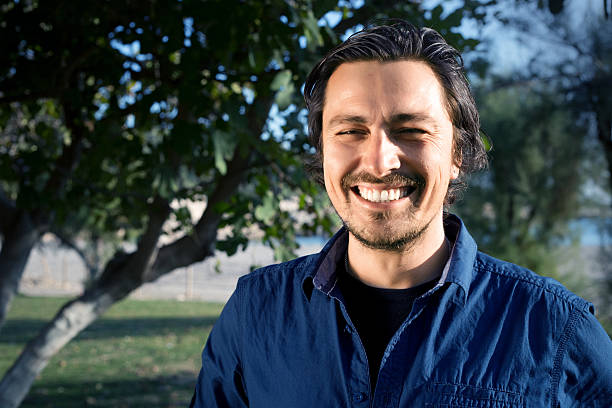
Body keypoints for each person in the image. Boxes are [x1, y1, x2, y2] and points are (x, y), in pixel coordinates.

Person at [190, 21, 612, 407]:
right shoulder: (254, 312)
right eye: (351, 131)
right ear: (323, 153)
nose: (379, 160)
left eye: (411, 131)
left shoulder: (557, 330)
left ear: (458, 154)